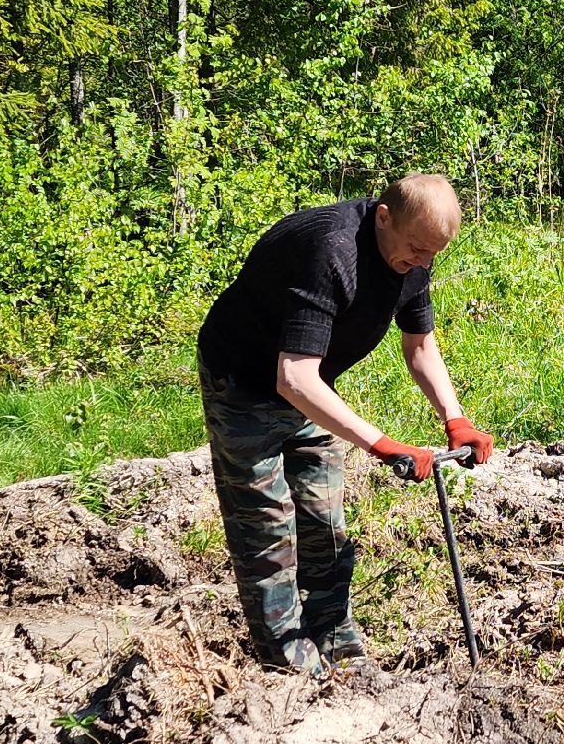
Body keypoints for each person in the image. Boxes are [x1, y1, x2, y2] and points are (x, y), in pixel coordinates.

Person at [196, 173, 495, 677]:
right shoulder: (330, 252)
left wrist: (455, 418)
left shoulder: (414, 255)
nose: (423, 263)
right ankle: (289, 666)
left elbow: (420, 345)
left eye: (433, 254)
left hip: (312, 389)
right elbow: (292, 377)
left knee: (324, 524)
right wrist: (379, 444)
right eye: (417, 249)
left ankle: (336, 643)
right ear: (384, 216)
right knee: (268, 533)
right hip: (245, 386)